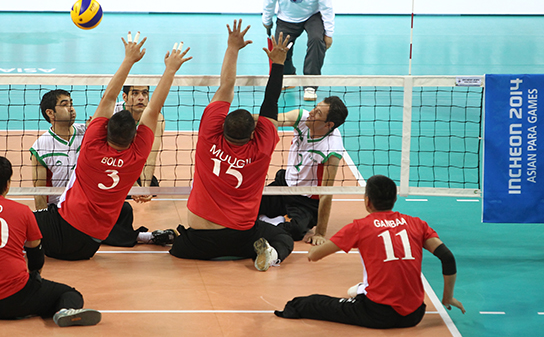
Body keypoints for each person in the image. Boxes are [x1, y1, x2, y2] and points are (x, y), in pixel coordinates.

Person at [34, 33, 191, 260]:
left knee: (14, 218)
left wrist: (129, 59)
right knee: (123, 209)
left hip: (62, 228)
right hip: (90, 245)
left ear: (103, 131)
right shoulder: (137, 155)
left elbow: (109, 98)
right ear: (134, 138)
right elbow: (153, 110)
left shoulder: (91, 145)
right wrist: (170, 70)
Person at [169, 21, 294, 272]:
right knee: (284, 238)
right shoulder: (261, 147)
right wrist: (278, 62)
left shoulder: (208, 135)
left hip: (199, 239)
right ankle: (271, 256)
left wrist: (232, 47)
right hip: (241, 238)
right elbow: (271, 100)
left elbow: (226, 86)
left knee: (177, 246)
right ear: (253, 134)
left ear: (222, 126)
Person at [275, 174, 466, 329]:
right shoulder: (417, 223)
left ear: (367, 201)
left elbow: (313, 256)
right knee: (363, 287)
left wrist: (315, 239)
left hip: (378, 314)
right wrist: (447, 297)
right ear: (394, 199)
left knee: (310, 303)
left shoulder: (360, 227)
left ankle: (293, 308)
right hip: (414, 314)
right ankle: (363, 288)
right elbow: (447, 257)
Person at [0, 155, 101, 327]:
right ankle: (63, 311)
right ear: (7, 184)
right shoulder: (23, 212)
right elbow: (36, 252)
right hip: (20, 298)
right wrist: (35, 279)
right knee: (70, 294)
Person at [30, 89, 170, 247]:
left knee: (124, 210)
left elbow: (115, 164)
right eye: (64, 105)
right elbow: (39, 194)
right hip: (62, 207)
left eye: (71, 103)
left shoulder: (87, 132)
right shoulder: (40, 147)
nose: (71, 108)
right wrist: (44, 228)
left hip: (90, 199)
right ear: (50, 113)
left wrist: (135, 186)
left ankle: (136, 236)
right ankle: (143, 236)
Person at [258, 96, 348, 245]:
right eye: (315, 107)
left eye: (318, 113)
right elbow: (271, 120)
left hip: (305, 200)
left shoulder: (332, 148)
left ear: (328, 124)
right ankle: (272, 220)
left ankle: (271, 221)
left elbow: (326, 193)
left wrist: (320, 233)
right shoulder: (302, 119)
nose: (311, 113)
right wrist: (244, 119)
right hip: (285, 185)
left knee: (296, 231)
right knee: (249, 205)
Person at [262, 0, 335, 102]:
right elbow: (269, 2)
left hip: (312, 15)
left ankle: (310, 84)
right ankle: (288, 77)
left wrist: (328, 34)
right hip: (286, 17)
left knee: (317, 40)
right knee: (281, 49)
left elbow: (326, 6)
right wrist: (266, 21)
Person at [114, 85, 165, 201]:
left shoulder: (156, 119)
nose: (141, 98)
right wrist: (134, 187)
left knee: (152, 185)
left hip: (134, 165)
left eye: (144, 93)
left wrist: (144, 188)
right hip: (113, 165)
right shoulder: (114, 116)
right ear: (125, 97)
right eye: (135, 93)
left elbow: (150, 155)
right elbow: (114, 155)